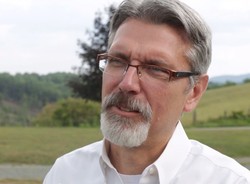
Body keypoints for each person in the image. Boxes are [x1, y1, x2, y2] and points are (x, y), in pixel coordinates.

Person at [44, 0, 250, 183]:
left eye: (156, 69)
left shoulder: (229, 180)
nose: (127, 83)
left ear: (194, 92)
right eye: (117, 60)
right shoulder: (65, 174)